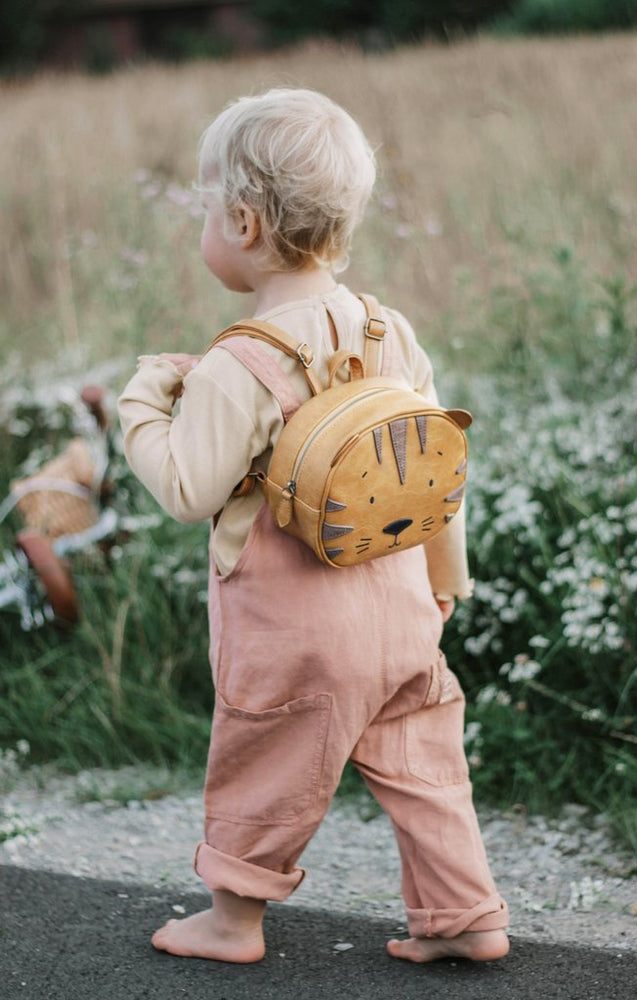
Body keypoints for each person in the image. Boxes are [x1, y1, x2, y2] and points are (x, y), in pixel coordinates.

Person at [118, 87, 509, 965]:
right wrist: (447, 581)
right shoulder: (388, 331)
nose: (204, 227)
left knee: (265, 759)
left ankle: (232, 921)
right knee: (424, 767)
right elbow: (434, 468)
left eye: (205, 208)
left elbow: (187, 486)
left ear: (245, 224)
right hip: (402, 607)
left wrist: (143, 408)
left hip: (292, 631)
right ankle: (465, 917)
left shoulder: (240, 361)